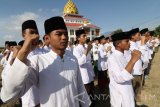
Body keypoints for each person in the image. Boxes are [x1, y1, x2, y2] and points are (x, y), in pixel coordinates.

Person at [1, 16, 90, 107]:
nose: (64, 37)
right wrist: (23, 52)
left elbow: (80, 88)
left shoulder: (72, 59)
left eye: (66, 34)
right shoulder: (38, 61)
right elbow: (10, 91)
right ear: (47, 38)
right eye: (58, 34)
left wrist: (85, 105)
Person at [107, 32, 141, 107]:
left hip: (127, 91)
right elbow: (119, 78)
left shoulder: (123, 55)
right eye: (126, 41)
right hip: (120, 97)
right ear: (118, 44)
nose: (129, 43)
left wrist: (132, 60)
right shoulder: (112, 58)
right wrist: (132, 60)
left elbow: (129, 72)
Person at [73, 29, 95, 106]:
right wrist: (86, 52)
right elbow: (79, 62)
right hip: (84, 75)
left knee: (92, 92)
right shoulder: (76, 49)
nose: (86, 37)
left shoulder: (85, 46)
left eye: (86, 35)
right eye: (84, 36)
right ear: (78, 38)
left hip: (90, 73)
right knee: (86, 94)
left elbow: (89, 60)